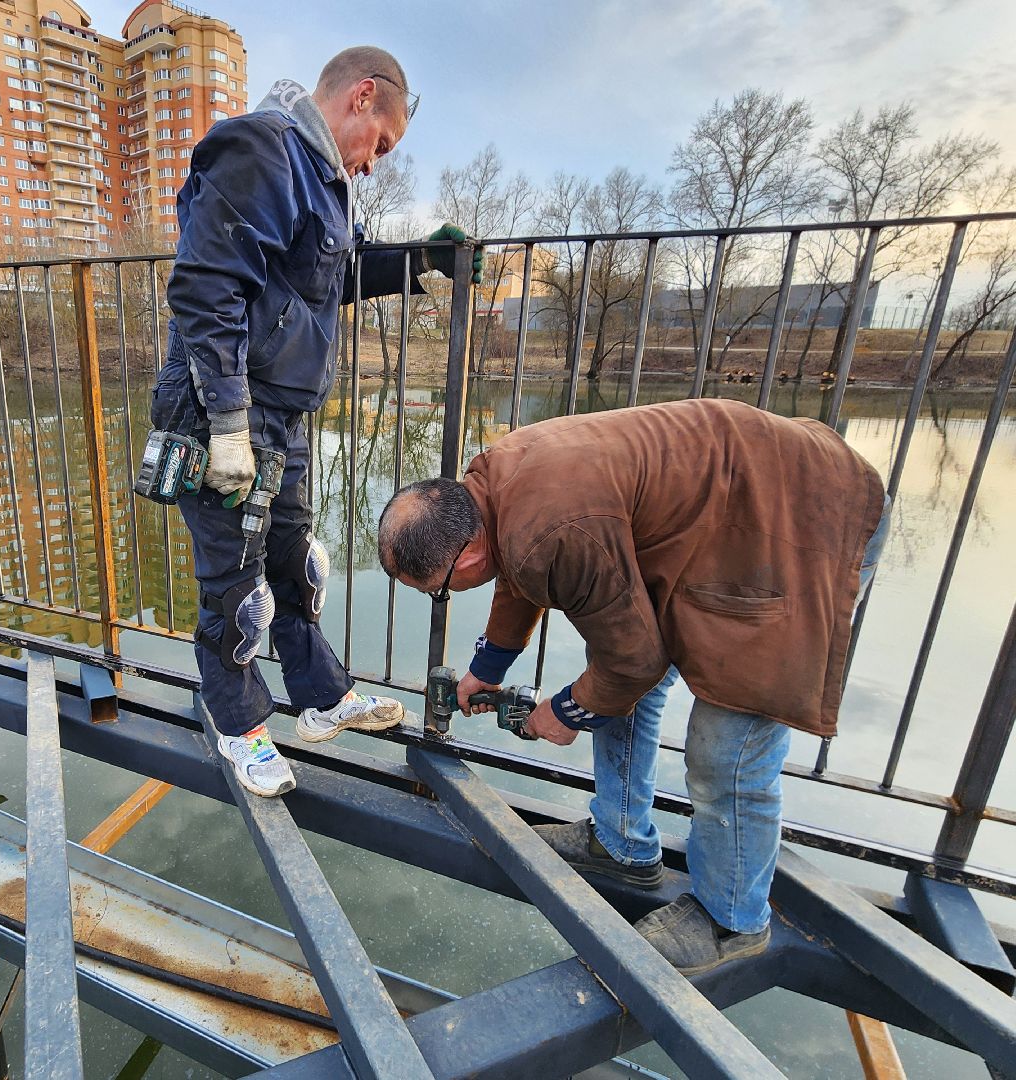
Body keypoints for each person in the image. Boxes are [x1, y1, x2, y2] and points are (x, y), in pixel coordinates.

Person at [377, 399, 889, 974]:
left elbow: (633, 663)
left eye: (439, 590)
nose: (443, 597)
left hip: (810, 521)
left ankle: (732, 921)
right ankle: (622, 842)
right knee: (618, 687)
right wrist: (487, 669)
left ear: (467, 552)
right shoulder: (491, 489)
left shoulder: (548, 528)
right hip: (733, 515)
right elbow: (521, 575)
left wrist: (565, 713)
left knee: (727, 747)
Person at [151, 46, 483, 798]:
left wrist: (421, 259)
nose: (374, 164)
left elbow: (333, 280)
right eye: (383, 143)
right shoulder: (262, 147)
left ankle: (319, 699)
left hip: (283, 413)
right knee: (233, 585)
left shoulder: (323, 178)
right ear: (361, 98)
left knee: (294, 564)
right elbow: (206, 290)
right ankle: (238, 727)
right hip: (224, 411)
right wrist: (227, 424)